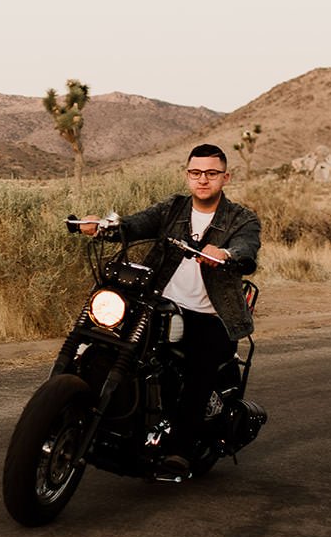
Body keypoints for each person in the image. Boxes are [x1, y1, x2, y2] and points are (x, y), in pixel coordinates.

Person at [80, 142, 263, 476]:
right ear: (187, 175)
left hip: (210, 316)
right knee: (105, 339)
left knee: (198, 371)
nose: (203, 180)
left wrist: (226, 254)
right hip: (158, 305)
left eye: (211, 173)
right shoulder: (173, 208)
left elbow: (246, 249)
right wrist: (103, 227)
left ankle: (180, 447)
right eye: (196, 173)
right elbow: (135, 225)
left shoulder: (241, 218)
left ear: (226, 177)